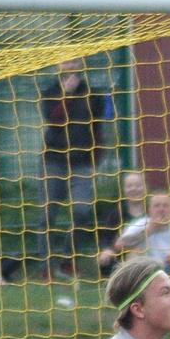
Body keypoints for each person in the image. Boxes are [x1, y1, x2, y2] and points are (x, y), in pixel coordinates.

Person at [39, 58, 110, 281]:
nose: (69, 66)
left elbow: (98, 128)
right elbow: (55, 121)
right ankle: (46, 268)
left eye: (74, 62)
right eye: (65, 62)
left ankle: (67, 261)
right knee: (47, 213)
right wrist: (66, 95)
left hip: (83, 163)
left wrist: (96, 158)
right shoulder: (49, 92)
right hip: (54, 161)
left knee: (82, 211)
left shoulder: (92, 94)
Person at [93, 170, 147, 277]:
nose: (134, 189)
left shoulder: (151, 211)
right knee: (106, 260)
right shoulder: (117, 214)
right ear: (124, 190)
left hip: (150, 253)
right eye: (129, 186)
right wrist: (107, 250)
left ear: (145, 188)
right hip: (122, 255)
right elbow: (107, 238)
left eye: (138, 185)